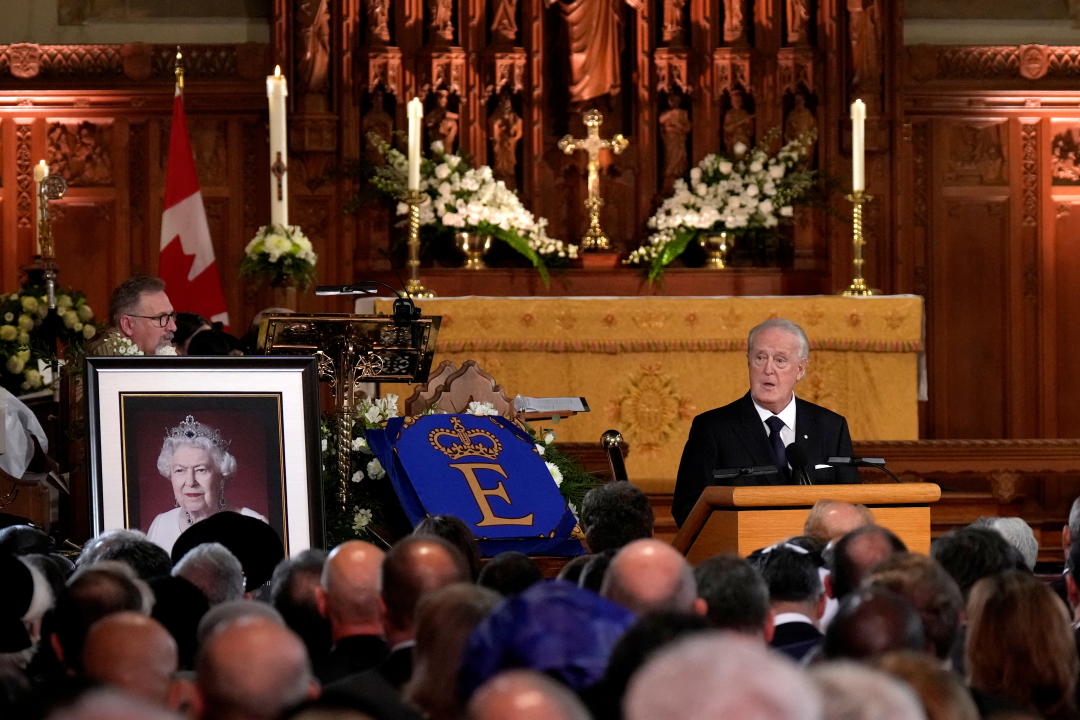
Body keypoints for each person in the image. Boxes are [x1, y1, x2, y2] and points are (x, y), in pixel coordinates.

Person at [672, 318, 858, 526]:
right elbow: (688, 509)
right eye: (760, 357)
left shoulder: (831, 427)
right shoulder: (712, 428)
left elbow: (850, 506)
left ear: (800, 369)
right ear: (748, 362)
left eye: (780, 360)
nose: (768, 369)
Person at [145, 415, 267, 555]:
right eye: (180, 470)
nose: (190, 482)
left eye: (201, 470)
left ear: (221, 475)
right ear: (170, 475)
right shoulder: (161, 524)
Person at [106, 276, 178, 356]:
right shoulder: (102, 361)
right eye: (161, 318)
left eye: (171, 315)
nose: (173, 327)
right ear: (128, 325)